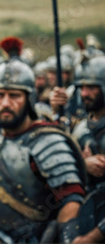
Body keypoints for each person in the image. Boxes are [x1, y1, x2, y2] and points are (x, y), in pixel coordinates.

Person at [0, 37, 86, 243]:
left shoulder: (48, 142)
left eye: (14, 95)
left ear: (29, 98)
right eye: (0, 95)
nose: (5, 103)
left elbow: (72, 198)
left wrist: (67, 237)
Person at [69, 55, 105, 243]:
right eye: (82, 87)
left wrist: (92, 239)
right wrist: (83, 164)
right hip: (86, 216)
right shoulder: (80, 128)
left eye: (91, 87)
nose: (84, 93)